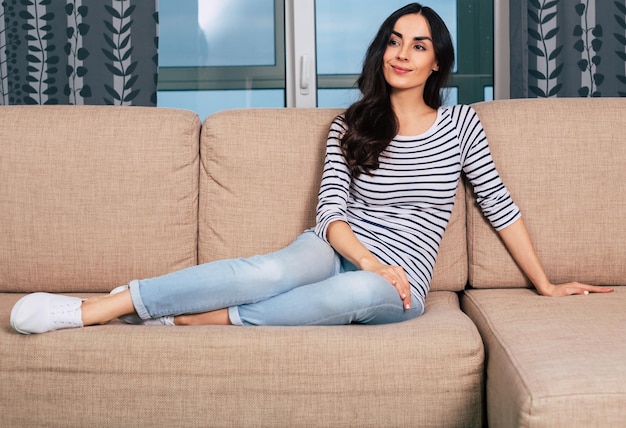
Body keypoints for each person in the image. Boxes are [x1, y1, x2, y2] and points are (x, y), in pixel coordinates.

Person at [10, 3, 613, 335]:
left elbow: (500, 209)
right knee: (272, 270)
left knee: (351, 293)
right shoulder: (351, 123)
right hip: (343, 244)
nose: (402, 53)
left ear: (437, 64)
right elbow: (330, 215)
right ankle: (100, 309)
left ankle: (209, 314)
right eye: (394, 40)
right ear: (382, 51)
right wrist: (371, 255)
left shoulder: (461, 127)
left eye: (419, 45)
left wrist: (545, 283)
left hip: (402, 278)